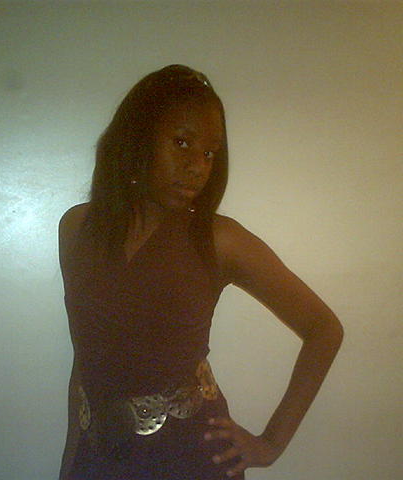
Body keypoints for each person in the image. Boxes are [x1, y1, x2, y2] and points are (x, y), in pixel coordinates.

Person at [57, 64, 343, 480]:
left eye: (209, 152)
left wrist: (271, 444)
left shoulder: (219, 238)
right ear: (137, 138)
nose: (197, 166)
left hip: (191, 455)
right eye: (182, 142)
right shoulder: (77, 228)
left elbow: (324, 329)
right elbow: (85, 357)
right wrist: (70, 462)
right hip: (100, 453)